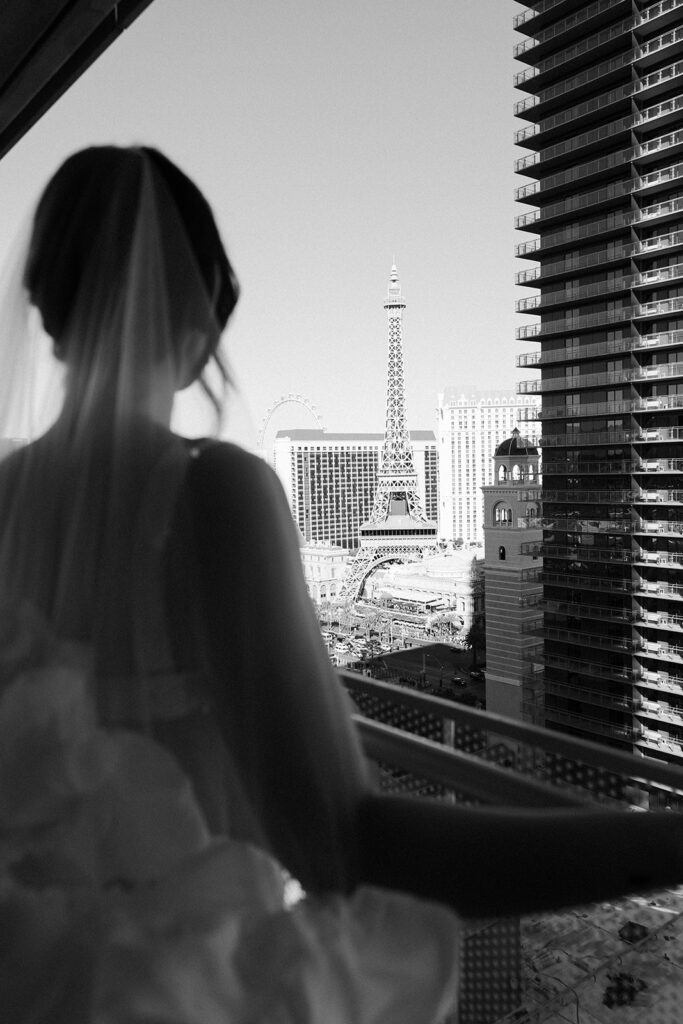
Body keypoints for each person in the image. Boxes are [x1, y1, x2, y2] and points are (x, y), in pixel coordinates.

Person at [0, 146, 683, 1022]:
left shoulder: (9, 500)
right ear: (201, 324)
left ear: (46, 311)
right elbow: (345, 840)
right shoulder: (210, 491)